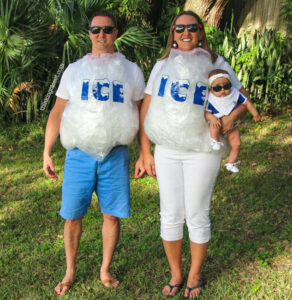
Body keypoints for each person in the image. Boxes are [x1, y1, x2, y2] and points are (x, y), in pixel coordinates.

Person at [135, 11, 250, 298]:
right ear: (172, 32)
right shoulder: (162, 65)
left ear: (201, 31)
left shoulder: (214, 63)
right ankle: (176, 272)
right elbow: (147, 108)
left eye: (192, 28)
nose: (185, 33)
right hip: (167, 150)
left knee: (197, 213)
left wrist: (229, 119)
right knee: (170, 214)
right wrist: (145, 151)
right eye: (179, 28)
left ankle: (195, 274)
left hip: (202, 150)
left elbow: (243, 98)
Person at [43, 11, 145, 296]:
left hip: (115, 155)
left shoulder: (131, 71)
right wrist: (47, 151)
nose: (102, 35)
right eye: (96, 29)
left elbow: (141, 112)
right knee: (72, 216)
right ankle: (70, 271)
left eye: (108, 30)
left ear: (116, 33)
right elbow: (57, 112)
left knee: (111, 216)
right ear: (89, 33)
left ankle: (105, 269)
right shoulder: (74, 71)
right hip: (79, 155)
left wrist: (143, 153)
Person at [205, 69, 260, 173]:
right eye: (217, 88)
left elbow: (247, 103)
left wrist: (255, 113)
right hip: (217, 122)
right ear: (211, 88)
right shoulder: (211, 99)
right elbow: (206, 113)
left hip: (232, 126)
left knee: (237, 144)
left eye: (226, 86)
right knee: (214, 124)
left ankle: (231, 163)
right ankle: (215, 141)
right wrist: (212, 118)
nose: (222, 90)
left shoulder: (234, 93)